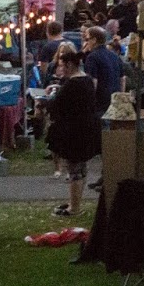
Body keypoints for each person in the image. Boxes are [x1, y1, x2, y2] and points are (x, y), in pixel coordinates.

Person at [45, 44, 101, 218]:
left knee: (74, 170)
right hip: (86, 129)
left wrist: (47, 100)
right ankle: (74, 202)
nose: (60, 69)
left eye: (61, 66)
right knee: (81, 169)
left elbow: (58, 106)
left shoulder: (73, 84)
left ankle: (74, 208)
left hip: (74, 133)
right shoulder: (86, 80)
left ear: (69, 65)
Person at [82, 25, 125, 116]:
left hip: (99, 104)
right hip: (114, 103)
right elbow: (122, 79)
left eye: (87, 39)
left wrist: (88, 104)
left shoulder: (92, 57)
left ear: (94, 40)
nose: (85, 42)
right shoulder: (115, 56)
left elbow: (92, 82)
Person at [36, 21, 66, 86]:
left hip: (53, 81)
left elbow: (44, 68)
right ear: (61, 31)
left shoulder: (47, 47)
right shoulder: (69, 44)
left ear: (48, 32)